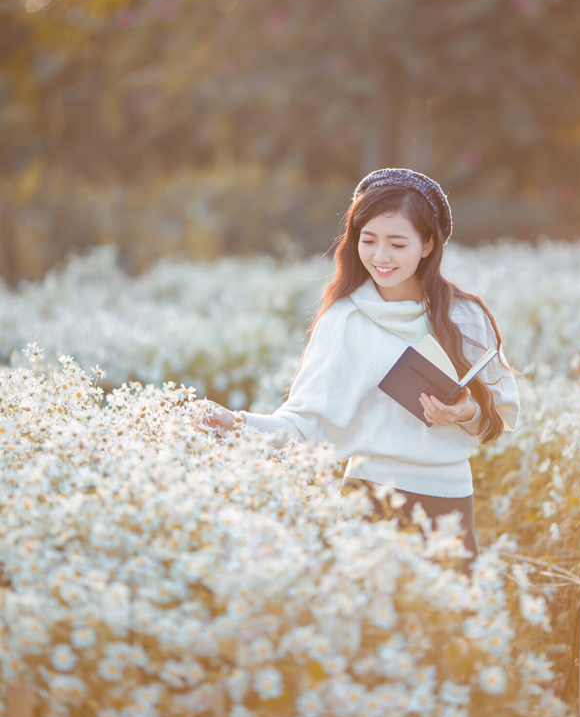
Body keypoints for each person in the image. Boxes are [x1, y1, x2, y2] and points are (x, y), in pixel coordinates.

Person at [193, 168, 521, 574]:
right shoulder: (345, 319)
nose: (381, 257)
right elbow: (303, 425)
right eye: (369, 240)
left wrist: (464, 413)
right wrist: (236, 423)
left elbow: (500, 417)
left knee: (449, 632)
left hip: (451, 504)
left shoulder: (464, 316)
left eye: (397, 243)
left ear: (428, 244)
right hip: (371, 502)